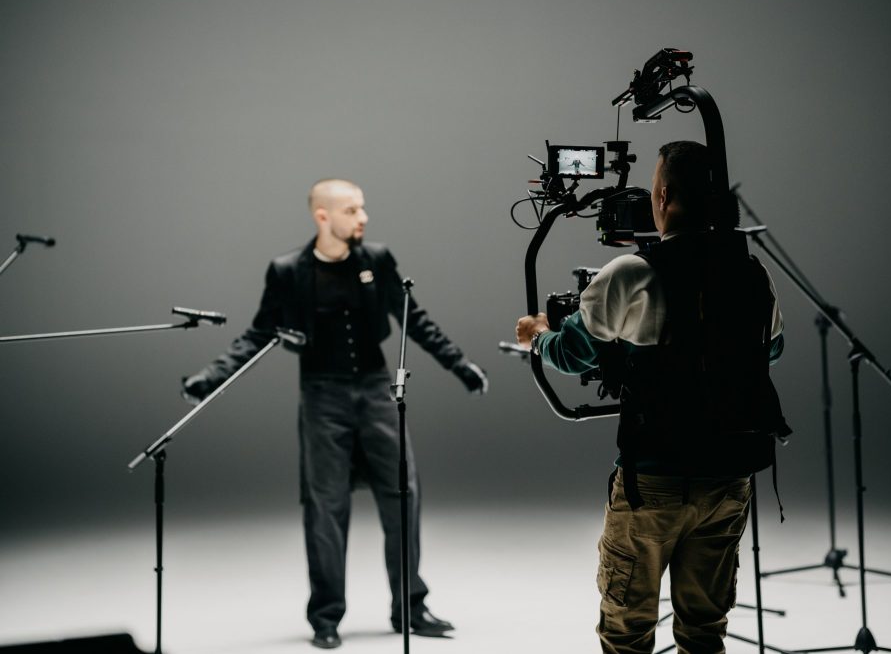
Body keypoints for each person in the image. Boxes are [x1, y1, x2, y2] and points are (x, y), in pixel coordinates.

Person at [182, 178, 487, 649]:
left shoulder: (377, 260)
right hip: (322, 396)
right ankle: (325, 617)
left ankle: (410, 607)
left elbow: (414, 318)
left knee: (403, 496)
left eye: (362, 208)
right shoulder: (288, 271)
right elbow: (258, 333)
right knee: (325, 507)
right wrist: (210, 377)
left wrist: (459, 364)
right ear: (322, 216)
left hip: (377, 390)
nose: (363, 218)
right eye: (351, 210)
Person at [515, 142, 789, 654]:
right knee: (705, 630)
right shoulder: (753, 272)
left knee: (627, 632)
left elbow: (573, 354)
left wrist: (538, 335)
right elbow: (768, 351)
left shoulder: (630, 272)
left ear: (662, 196)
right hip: (729, 479)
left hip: (654, 482)